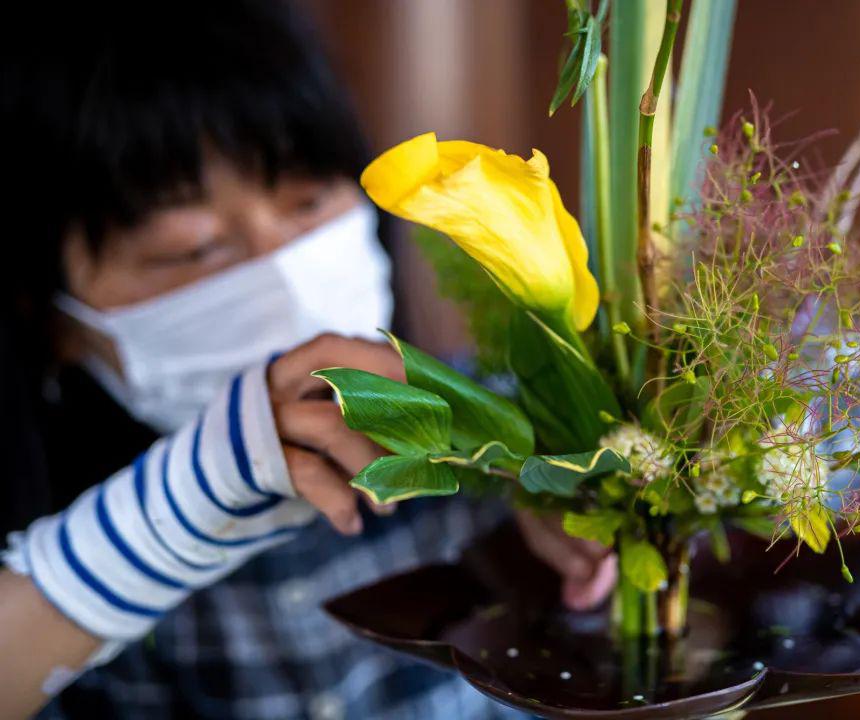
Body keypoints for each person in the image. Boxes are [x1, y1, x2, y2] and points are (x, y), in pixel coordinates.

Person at [0, 2, 615, 718]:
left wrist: (577, 494)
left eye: (309, 201)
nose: (282, 267)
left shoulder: (500, 442)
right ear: (47, 314)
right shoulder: (50, 523)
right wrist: (180, 505)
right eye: (192, 248)